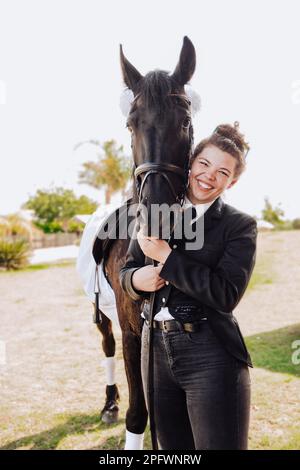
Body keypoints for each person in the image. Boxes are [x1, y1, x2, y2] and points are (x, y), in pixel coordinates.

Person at [119, 122, 257, 450]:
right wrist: (137, 280)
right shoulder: (155, 214)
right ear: (191, 163)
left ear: (232, 181)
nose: (209, 176)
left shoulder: (240, 226)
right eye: (204, 164)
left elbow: (226, 295)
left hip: (210, 354)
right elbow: (126, 271)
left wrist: (167, 258)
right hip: (154, 353)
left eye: (222, 172)